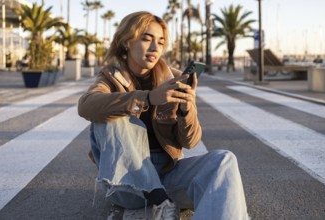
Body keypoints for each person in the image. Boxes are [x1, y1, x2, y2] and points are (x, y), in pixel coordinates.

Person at [78, 11, 249, 220]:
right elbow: (86, 106)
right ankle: (157, 198)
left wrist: (187, 108)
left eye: (160, 42)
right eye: (146, 39)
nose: (154, 48)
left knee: (224, 160)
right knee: (112, 115)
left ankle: (164, 201)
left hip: (169, 177)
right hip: (128, 185)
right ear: (126, 42)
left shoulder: (174, 78)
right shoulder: (110, 77)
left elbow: (191, 141)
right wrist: (148, 97)